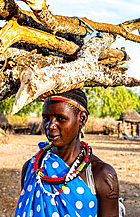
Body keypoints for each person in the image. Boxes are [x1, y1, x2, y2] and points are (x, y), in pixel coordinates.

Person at [15, 89, 119, 217]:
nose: (50, 125)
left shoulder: (101, 174)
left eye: (60, 118)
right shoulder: (32, 169)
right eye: (46, 118)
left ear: (82, 118)